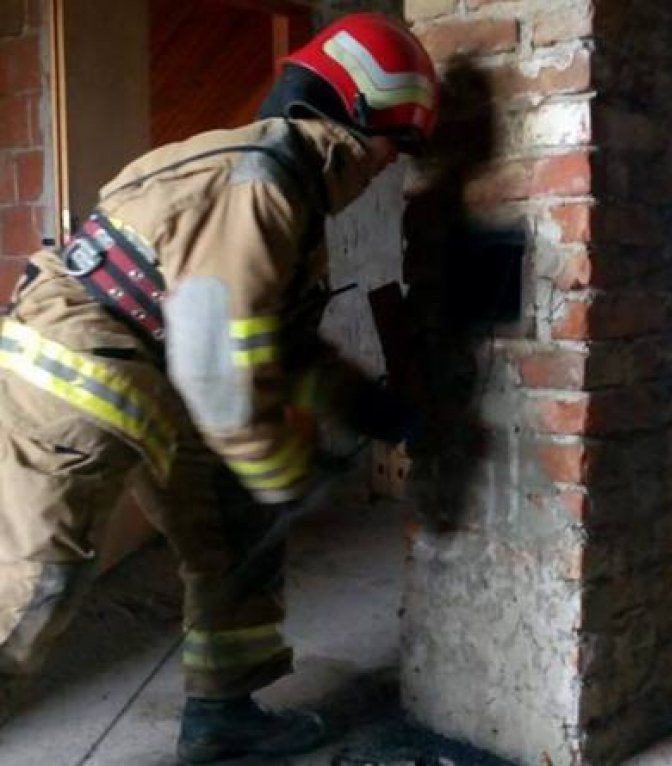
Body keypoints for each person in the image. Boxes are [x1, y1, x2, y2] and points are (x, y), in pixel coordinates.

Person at [0, 12, 438, 764]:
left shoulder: (284, 186)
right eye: (394, 142)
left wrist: (373, 407)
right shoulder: (263, 186)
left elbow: (282, 341)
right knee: (39, 581)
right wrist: (284, 472)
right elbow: (219, 367)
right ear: (355, 111)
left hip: (154, 365)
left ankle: (222, 717)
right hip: (73, 375)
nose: (390, 164)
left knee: (236, 528)